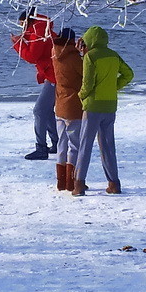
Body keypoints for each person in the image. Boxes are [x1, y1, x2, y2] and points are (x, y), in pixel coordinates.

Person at [72, 26, 134, 196]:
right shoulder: (113, 55)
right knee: (108, 146)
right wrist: (114, 87)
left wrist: (81, 95)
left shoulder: (90, 56)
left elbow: (88, 83)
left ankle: (79, 184)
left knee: (85, 145)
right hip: (110, 105)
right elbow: (129, 74)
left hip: (93, 106)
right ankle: (114, 183)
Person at [12, 9, 58, 160]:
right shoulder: (41, 28)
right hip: (54, 74)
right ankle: (57, 142)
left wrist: (18, 44)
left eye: (22, 24)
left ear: (27, 21)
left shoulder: (38, 31)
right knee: (46, 110)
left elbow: (32, 56)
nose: (21, 27)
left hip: (54, 76)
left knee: (39, 111)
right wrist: (24, 37)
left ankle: (41, 148)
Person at [51, 28, 84, 191]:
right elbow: (85, 73)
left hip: (60, 103)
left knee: (61, 143)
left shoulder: (55, 53)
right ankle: (71, 182)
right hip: (73, 105)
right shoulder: (74, 57)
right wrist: (83, 53)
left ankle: (61, 181)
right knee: (74, 144)